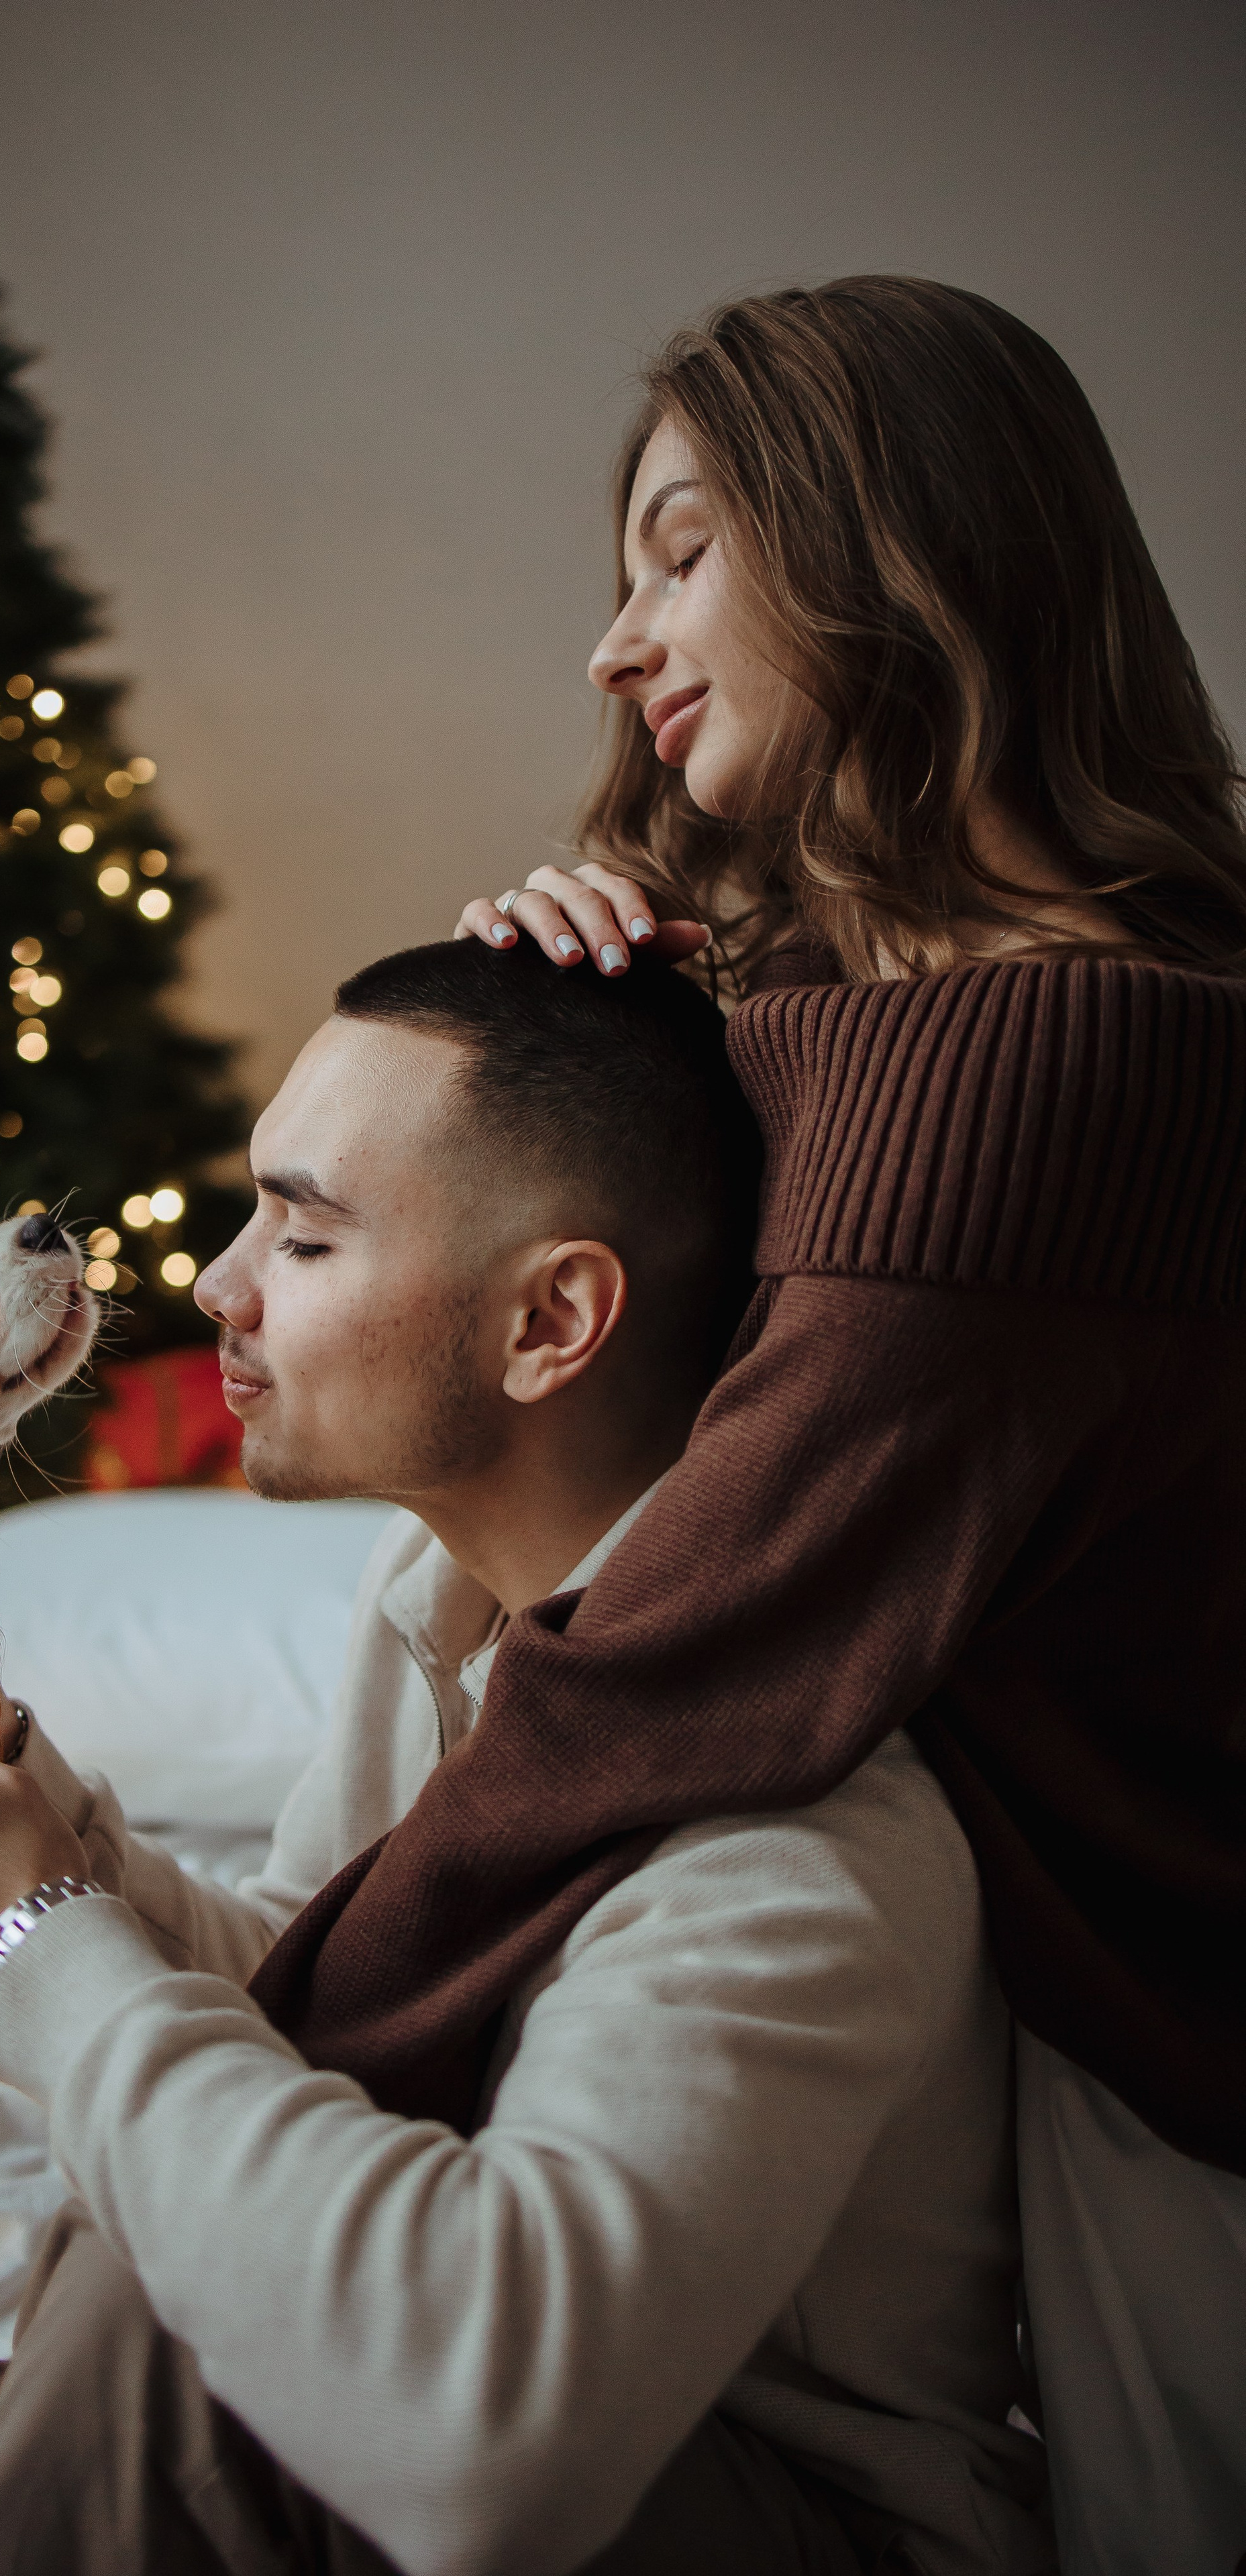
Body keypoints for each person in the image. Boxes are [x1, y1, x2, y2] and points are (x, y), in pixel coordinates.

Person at [0, 940, 1051, 2576]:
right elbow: (309, 1986)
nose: (217, 1284)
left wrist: (24, 1956)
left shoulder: (796, 1821)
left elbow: (482, 2428)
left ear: (550, 1318)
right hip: (398, 2411)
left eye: (301, 1231)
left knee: (167, 2324)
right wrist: (21, 1814)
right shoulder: (441, 1612)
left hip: (736, 2498)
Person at [410, 276, 1246, 2576]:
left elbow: (668, 1644)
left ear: (890, 541)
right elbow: (596, 1442)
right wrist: (560, 1050)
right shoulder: (854, 1025)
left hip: (1155, 2100)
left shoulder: (1063, 1056)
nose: (614, 643)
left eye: (676, 553)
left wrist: (200, 2056)